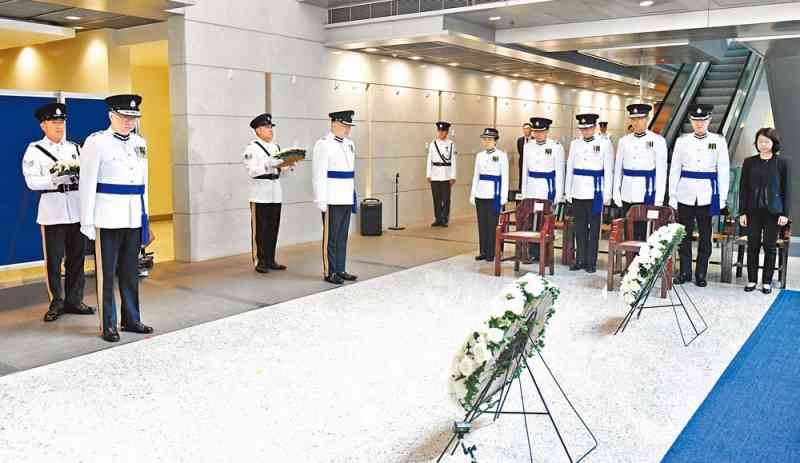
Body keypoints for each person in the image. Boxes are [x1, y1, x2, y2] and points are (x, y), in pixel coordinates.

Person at [79, 94, 153, 342]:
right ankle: (107, 324)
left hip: (133, 216)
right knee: (107, 274)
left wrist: (146, 217)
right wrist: (86, 221)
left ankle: (131, 319)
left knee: (131, 272)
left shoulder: (140, 143)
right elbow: (87, 183)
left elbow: (145, 184)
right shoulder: (96, 142)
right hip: (107, 217)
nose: (128, 121)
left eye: (133, 117)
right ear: (111, 115)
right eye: (123, 116)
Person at [21, 103, 95, 322]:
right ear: (43, 126)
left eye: (62, 121)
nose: (59, 125)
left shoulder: (75, 148)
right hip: (52, 211)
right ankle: (57, 302)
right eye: (54, 122)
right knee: (53, 261)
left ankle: (75, 300)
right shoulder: (34, 150)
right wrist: (53, 179)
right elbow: (31, 181)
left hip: (76, 209)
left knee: (76, 258)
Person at [669, 104, 730, 287]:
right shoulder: (682, 141)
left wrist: (722, 198)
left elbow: (724, 171)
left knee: (705, 235)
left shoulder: (718, 141)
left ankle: (701, 273)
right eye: (695, 120)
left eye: (703, 120)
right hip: (685, 193)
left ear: (709, 120)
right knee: (683, 235)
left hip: (707, 195)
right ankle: (685, 271)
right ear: (690, 121)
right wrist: (672, 194)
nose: (699, 123)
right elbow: (675, 169)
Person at [738, 128, 789, 294]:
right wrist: (742, 212)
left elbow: (786, 190)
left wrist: (785, 214)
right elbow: (743, 189)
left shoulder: (781, 163)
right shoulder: (749, 162)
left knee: (769, 246)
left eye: (767, 141)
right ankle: (752, 280)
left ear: (773, 143)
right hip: (752, 211)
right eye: (760, 141)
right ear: (756, 143)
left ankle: (767, 281)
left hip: (773, 212)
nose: (763, 144)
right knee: (752, 245)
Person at [242, 113, 295, 273]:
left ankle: (271, 259)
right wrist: (268, 164)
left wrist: (288, 166)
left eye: (271, 127)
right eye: (266, 127)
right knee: (260, 229)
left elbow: (281, 173)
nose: (270, 130)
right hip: (260, 192)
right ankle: (260, 261)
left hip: (275, 191)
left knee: (273, 227)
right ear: (258, 130)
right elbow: (252, 171)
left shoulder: (276, 147)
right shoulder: (252, 148)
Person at [312, 110, 359, 285]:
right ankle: (329, 271)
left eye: (349, 126)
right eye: (345, 125)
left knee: (342, 237)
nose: (347, 129)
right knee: (330, 238)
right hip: (331, 198)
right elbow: (318, 174)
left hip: (346, 196)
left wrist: (352, 196)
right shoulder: (323, 144)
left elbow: (350, 173)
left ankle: (340, 269)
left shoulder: (349, 144)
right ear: (334, 123)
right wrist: (321, 200)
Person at [565, 113, 614, 273]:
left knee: (594, 229)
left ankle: (591, 261)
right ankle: (580, 259)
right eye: (582, 128)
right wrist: (568, 191)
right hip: (578, 191)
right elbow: (570, 168)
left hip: (596, 192)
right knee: (579, 227)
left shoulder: (605, 143)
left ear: (594, 127)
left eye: (588, 128)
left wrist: (607, 194)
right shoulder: (575, 144)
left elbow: (608, 170)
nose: (585, 131)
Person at [613, 104, 668, 240]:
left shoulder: (658, 141)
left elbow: (661, 172)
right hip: (627, 192)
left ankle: (642, 261)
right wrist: (616, 192)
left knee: (644, 233)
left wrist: (659, 199)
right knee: (628, 232)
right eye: (634, 119)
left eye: (640, 119)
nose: (637, 122)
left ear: (647, 119)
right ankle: (630, 260)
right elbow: (618, 168)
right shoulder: (624, 141)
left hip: (647, 193)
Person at [520, 117, 565, 261]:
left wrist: (558, 193)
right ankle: (533, 252)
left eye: (542, 131)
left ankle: (545, 253)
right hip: (532, 187)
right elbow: (525, 172)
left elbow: (559, 172)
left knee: (545, 222)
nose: (538, 134)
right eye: (536, 131)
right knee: (532, 220)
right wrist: (524, 192)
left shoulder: (556, 146)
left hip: (547, 188)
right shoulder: (528, 146)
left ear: (547, 131)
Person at [470, 128, 509, 262]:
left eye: (490, 139)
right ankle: (483, 251)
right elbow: (476, 176)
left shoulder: (501, 155)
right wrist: (472, 193)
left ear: (495, 141)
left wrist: (504, 196)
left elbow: (505, 177)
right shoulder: (479, 155)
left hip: (494, 193)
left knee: (492, 223)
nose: (487, 142)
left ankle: (491, 252)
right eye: (485, 139)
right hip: (480, 192)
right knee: (482, 223)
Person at [427, 121, 457, 227]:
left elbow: (453, 160)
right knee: (436, 198)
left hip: (446, 174)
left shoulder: (451, 144)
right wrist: (428, 174)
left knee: (446, 198)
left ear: (446, 132)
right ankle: (438, 218)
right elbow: (429, 160)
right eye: (439, 131)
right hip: (435, 174)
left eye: (442, 131)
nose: (440, 133)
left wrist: (453, 176)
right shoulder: (432, 144)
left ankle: (445, 218)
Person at [517, 122, 533, 190]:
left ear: (531, 130)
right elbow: (519, 151)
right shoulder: (519, 140)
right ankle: (520, 191)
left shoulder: (534, 140)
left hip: (532, 162)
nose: (525, 130)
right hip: (522, 162)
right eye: (524, 129)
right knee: (521, 177)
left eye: (527, 128)